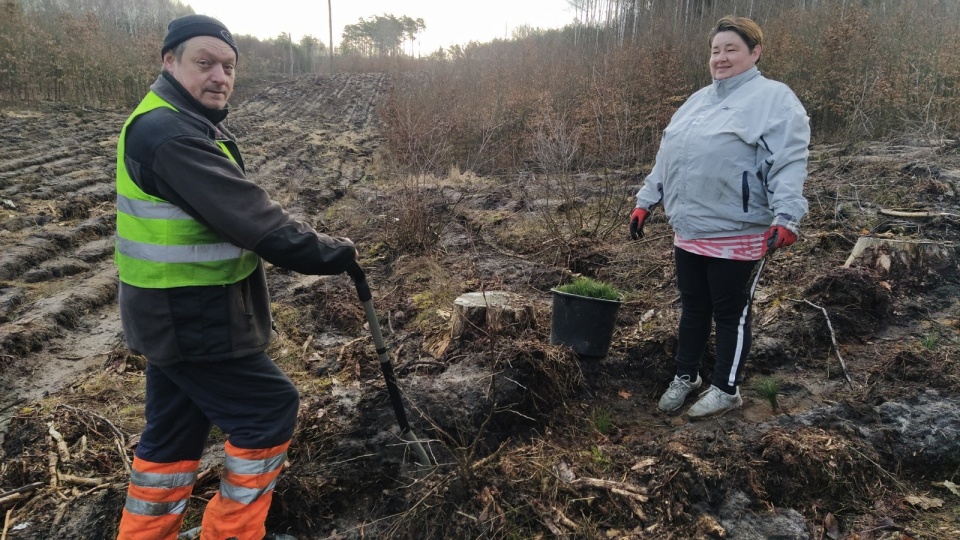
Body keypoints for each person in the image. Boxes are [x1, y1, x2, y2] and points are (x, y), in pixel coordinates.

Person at [114, 14, 357, 540]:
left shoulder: (177, 121)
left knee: (173, 436)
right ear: (169, 61)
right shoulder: (169, 133)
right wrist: (332, 254)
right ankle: (234, 534)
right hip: (193, 316)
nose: (219, 76)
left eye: (228, 66)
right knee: (269, 408)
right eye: (205, 63)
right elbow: (255, 221)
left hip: (172, 314)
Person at [630, 16, 809, 419]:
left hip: (738, 230)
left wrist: (787, 216)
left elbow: (788, 162)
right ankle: (686, 375)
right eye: (716, 50)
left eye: (731, 49)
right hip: (690, 229)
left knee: (730, 313)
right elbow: (668, 157)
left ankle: (726, 388)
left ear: (754, 52)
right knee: (693, 308)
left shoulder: (774, 99)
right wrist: (646, 200)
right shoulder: (696, 101)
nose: (721, 58)